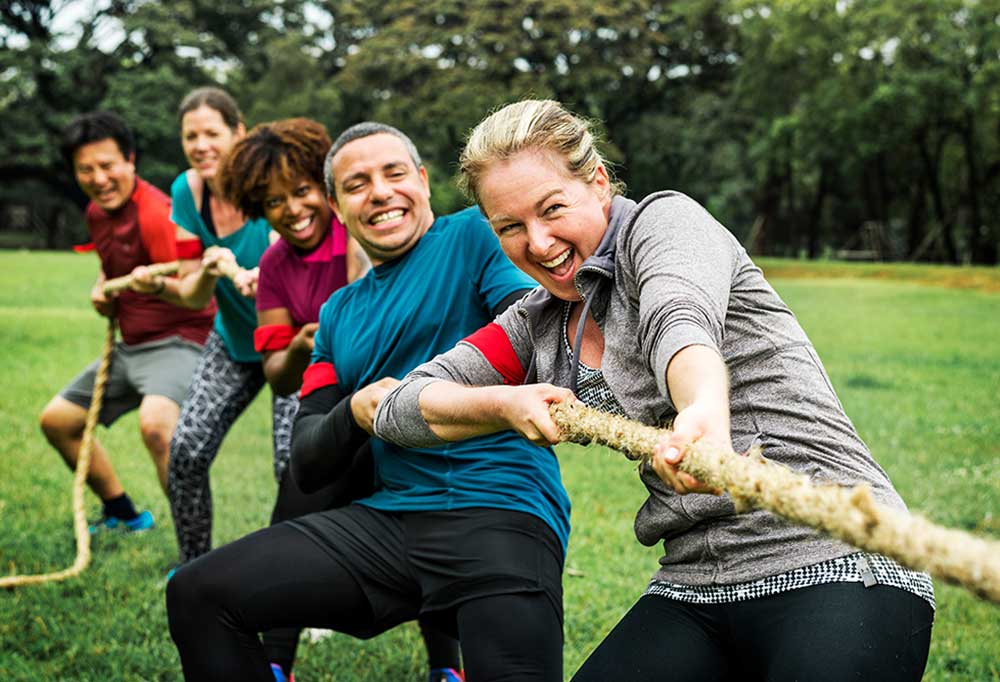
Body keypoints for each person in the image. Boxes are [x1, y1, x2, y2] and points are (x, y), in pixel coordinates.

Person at [374, 100, 936, 682]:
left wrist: (703, 416)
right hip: (695, 586)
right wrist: (503, 403)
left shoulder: (664, 225)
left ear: (596, 183)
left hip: (836, 558)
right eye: (510, 228)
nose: (538, 244)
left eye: (552, 209)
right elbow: (402, 408)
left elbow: (680, 321)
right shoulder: (534, 322)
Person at [167, 122, 570, 682]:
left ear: (424, 182)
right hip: (392, 524)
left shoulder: (474, 238)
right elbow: (307, 461)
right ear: (336, 205)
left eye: (394, 173)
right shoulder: (337, 315)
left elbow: (535, 332)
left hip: (500, 513)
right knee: (197, 592)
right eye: (357, 184)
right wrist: (355, 410)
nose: (380, 192)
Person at [219, 116, 456, 682]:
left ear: (324, 194)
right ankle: (276, 662)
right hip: (333, 407)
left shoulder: (363, 228)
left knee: (433, 520)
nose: (292, 209)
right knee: (294, 505)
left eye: (301, 192)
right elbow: (277, 375)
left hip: (407, 400)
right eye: (272, 202)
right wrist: (306, 343)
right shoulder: (276, 266)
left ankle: (448, 667)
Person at [39, 111, 215, 533]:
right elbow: (112, 268)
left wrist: (152, 288)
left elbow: (195, 291)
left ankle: (195, 551)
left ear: (130, 160)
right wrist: (104, 290)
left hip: (180, 340)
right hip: (130, 346)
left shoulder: (158, 213)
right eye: (86, 169)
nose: (99, 178)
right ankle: (124, 514)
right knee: (58, 422)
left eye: (107, 165)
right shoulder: (98, 214)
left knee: (156, 425)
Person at [153, 86, 294, 570]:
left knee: (293, 466)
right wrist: (209, 272)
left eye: (212, 133)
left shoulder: (271, 181)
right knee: (187, 450)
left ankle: (308, 586)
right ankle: (194, 568)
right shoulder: (186, 191)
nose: (200, 145)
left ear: (239, 132)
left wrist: (270, 277)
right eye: (190, 136)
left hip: (293, 344)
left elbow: (299, 257)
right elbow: (192, 295)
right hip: (234, 341)